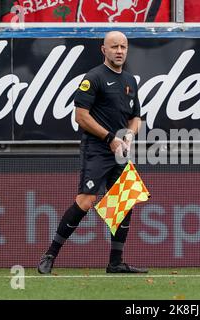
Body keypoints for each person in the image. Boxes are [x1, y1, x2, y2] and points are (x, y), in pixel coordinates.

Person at [37, 30, 148, 274]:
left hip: (119, 150)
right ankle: (50, 255)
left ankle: (115, 263)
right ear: (104, 50)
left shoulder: (130, 80)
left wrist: (128, 134)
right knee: (86, 201)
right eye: (114, 47)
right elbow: (80, 116)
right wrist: (109, 137)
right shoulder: (94, 77)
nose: (119, 51)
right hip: (97, 149)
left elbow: (136, 117)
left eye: (123, 47)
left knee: (124, 201)